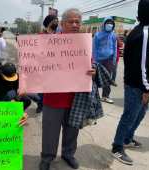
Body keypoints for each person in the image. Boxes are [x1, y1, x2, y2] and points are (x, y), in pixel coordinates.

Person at [39, 8, 102, 170]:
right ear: (62, 23)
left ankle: (68, 154)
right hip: (53, 97)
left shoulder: (84, 43)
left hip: (76, 98)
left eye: (77, 22)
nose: (75, 25)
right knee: (50, 131)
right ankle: (47, 157)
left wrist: (93, 70)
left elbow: (91, 63)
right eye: (71, 21)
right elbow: (38, 63)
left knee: (72, 129)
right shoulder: (50, 42)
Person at [111, 0, 149, 165]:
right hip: (136, 84)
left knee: (140, 113)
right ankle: (117, 147)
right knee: (129, 115)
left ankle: (127, 138)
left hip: (142, 83)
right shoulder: (144, 33)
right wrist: (147, 88)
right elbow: (141, 65)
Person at [93, 17, 117, 104]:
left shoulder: (113, 35)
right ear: (104, 24)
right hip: (98, 60)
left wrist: (114, 59)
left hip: (109, 60)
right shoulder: (97, 35)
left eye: (111, 23)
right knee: (95, 78)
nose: (110, 25)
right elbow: (94, 48)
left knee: (107, 78)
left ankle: (105, 96)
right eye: (108, 23)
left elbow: (114, 48)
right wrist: (94, 61)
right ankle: (93, 95)